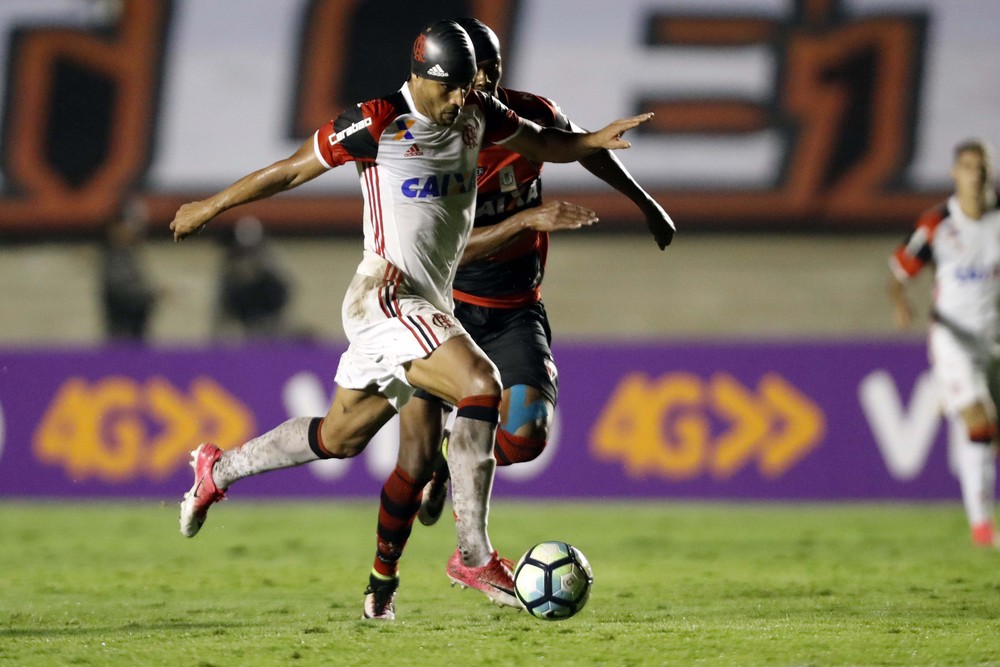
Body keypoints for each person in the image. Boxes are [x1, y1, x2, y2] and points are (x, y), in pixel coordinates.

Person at [169, 19, 654, 620]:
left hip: (429, 302)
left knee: (342, 437)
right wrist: (210, 207)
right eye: (451, 88)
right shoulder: (376, 122)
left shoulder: (476, 111)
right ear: (422, 75)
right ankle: (473, 556)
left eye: (469, 88)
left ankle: (221, 468)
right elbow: (291, 170)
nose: (462, 100)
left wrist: (594, 141)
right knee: (480, 385)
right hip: (387, 295)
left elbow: (545, 144)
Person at [369, 17, 675, 603]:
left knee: (527, 436)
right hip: (446, 311)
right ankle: (386, 581)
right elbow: (445, 251)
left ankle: (448, 466)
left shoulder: (524, 117)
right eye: (471, 76)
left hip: (515, 310)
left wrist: (646, 203)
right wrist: (525, 220)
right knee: (393, 454)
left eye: (491, 74)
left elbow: (583, 148)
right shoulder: (430, 144)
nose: (479, 86)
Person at [889, 138, 1000, 548]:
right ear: (956, 173)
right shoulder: (937, 224)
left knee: (991, 430)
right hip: (952, 336)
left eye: (982, 165)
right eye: (968, 166)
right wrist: (902, 305)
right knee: (977, 418)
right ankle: (982, 528)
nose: (976, 173)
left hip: (994, 339)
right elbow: (900, 272)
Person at [213, 216, 293, 341]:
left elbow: (283, 290)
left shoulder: (270, 260)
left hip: (270, 312)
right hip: (243, 313)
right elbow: (221, 302)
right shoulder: (230, 265)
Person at [100, 196, 161, 341]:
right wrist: (150, 294)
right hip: (123, 331)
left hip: (135, 331)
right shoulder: (116, 255)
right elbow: (120, 288)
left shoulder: (129, 253)